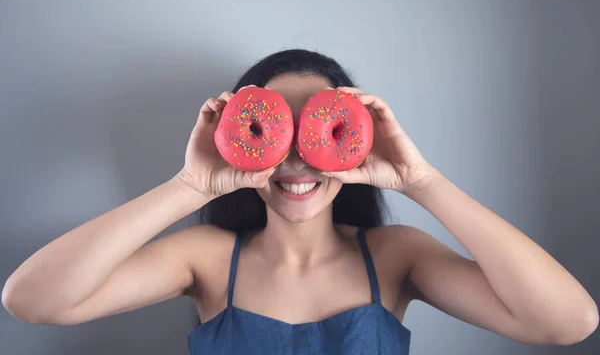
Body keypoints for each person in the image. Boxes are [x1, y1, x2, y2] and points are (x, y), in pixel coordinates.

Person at [2, 49, 597, 354]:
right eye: (273, 132)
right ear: (237, 141)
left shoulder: (396, 258)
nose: (296, 160)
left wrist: (419, 180)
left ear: (355, 140)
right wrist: (188, 186)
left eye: (319, 132)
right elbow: (30, 300)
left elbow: (569, 323)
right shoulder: (205, 259)